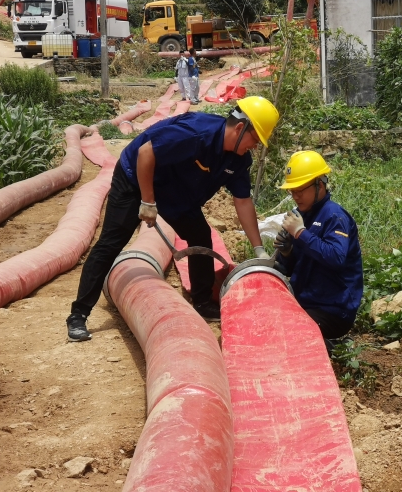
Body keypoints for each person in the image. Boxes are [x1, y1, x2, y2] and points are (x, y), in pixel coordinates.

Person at [66, 96, 279, 341]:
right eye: (256, 139)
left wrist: (259, 249)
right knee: (112, 242)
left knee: (200, 236)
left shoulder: (238, 159)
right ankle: (78, 314)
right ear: (240, 128)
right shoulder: (196, 133)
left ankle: (202, 301)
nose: (254, 146)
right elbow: (146, 153)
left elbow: (242, 201)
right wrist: (147, 201)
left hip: (176, 191)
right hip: (136, 178)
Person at [274, 151, 363, 353]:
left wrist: (300, 233)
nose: (295, 197)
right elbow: (290, 268)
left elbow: (335, 257)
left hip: (332, 309)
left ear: (319, 185)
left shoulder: (335, 217)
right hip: (306, 303)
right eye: (292, 192)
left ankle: (333, 349)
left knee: (292, 335)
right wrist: (287, 252)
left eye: (300, 190)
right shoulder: (302, 215)